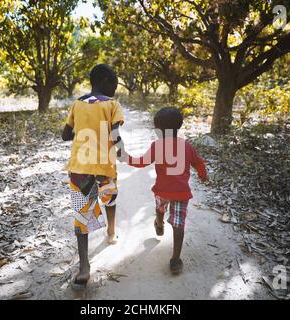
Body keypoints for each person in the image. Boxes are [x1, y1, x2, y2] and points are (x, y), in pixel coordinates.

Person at [121, 107, 208, 274]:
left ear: (159, 130)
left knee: (160, 209)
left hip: (162, 191)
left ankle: (159, 224)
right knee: (178, 224)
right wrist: (203, 176)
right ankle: (175, 260)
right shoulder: (187, 146)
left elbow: (142, 162)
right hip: (181, 193)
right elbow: (198, 162)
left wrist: (126, 157)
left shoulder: (157, 146)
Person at [61, 64, 124, 290]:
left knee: (82, 214)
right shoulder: (112, 104)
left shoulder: (78, 103)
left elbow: (64, 135)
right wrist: (121, 151)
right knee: (110, 199)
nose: (114, 90)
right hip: (105, 167)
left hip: (80, 169)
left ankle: (84, 267)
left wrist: (81, 132)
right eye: (114, 85)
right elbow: (115, 133)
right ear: (106, 81)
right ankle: (111, 232)